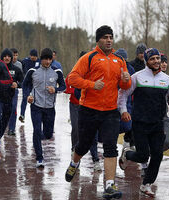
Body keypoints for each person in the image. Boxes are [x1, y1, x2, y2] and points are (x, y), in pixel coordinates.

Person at [64, 25, 131, 199]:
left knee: (110, 147)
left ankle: (109, 185)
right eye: (105, 37)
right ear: (98, 40)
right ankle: (74, 162)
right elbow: (72, 78)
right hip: (89, 110)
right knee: (84, 145)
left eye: (111, 37)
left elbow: (125, 86)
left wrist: (126, 80)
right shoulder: (89, 58)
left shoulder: (119, 60)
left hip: (110, 111)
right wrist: (92, 85)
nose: (109, 40)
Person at [118, 48, 169, 197]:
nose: (156, 61)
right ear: (147, 61)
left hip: (157, 123)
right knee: (143, 155)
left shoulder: (166, 79)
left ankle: (146, 184)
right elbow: (123, 94)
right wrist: (123, 111)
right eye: (152, 59)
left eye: (158, 58)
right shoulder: (137, 77)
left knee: (158, 155)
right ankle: (127, 154)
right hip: (140, 122)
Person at [23, 48, 66, 168]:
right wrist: (28, 96)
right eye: (45, 59)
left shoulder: (57, 71)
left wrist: (55, 90)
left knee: (48, 134)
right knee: (37, 130)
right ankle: (39, 158)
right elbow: (25, 85)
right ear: (41, 59)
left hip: (50, 108)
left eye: (49, 59)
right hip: (36, 106)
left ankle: (37, 138)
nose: (47, 62)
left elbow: (63, 86)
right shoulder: (33, 71)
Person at [65, 51, 101, 172]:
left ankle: (95, 159)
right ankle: (74, 152)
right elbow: (70, 87)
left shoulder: (96, 73)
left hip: (91, 107)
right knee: (76, 129)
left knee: (93, 133)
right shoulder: (75, 72)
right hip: (75, 105)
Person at [0, 48, 24, 148]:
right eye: (5, 56)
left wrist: (17, 84)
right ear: (2, 57)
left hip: (10, 97)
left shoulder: (16, 69)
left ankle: (1, 135)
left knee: (5, 119)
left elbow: (23, 82)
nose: (7, 58)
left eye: (9, 56)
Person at [115, 48, 135, 149]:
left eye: (124, 58)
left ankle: (127, 142)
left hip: (127, 101)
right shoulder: (112, 67)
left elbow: (133, 86)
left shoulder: (130, 68)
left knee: (128, 125)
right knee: (113, 128)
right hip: (112, 101)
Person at [19, 49, 39, 123]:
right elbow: (18, 64)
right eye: (31, 56)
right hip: (27, 83)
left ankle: (36, 115)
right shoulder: (25, 61)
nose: (32, 57)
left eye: (34, 56)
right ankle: (22, 115)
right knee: (25, 98)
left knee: (35, 100)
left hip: (35, 84)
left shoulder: (39, 62)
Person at [8, 48, 24, 135]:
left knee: (13, 108)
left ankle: (12, 129)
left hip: (14, 91)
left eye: (16, 55)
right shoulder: (3, 64)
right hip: (3, 92)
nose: (14, 57)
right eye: (13, 55)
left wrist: (17, 84)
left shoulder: (19, 65)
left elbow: (21, 79)